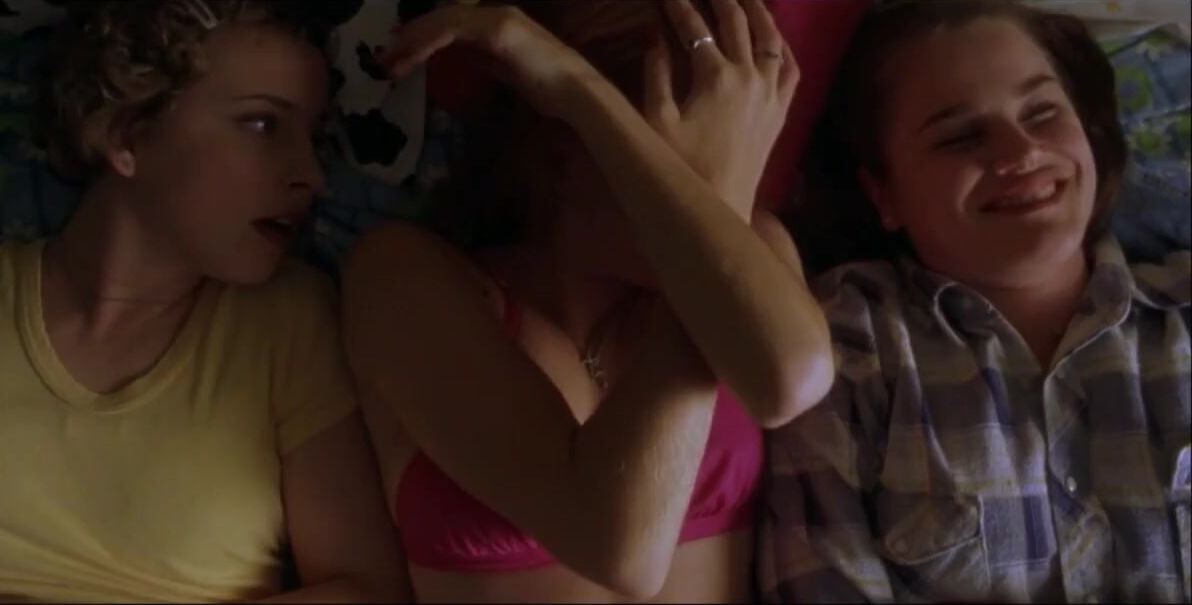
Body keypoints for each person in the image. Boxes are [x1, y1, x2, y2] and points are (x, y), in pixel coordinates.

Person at [0, 1, 410, 601]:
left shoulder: (288, 323)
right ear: (128, 134)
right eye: (261, 125)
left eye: (316, 138)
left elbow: (365, 591)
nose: (311, 174)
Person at [340, 0, 834, 602]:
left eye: (731, 159)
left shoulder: (757, 247)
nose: (709, 203)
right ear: (564, 148)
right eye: (678, 166)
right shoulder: (402, 277)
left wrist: (720, 203)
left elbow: (790, 379)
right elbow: (622, 550)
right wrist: (582, 93)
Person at [760, 0, 1191, 602]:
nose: (1022, 152)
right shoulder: (851, 350)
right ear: (884, 194)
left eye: (1042, 112)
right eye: (960, 137)